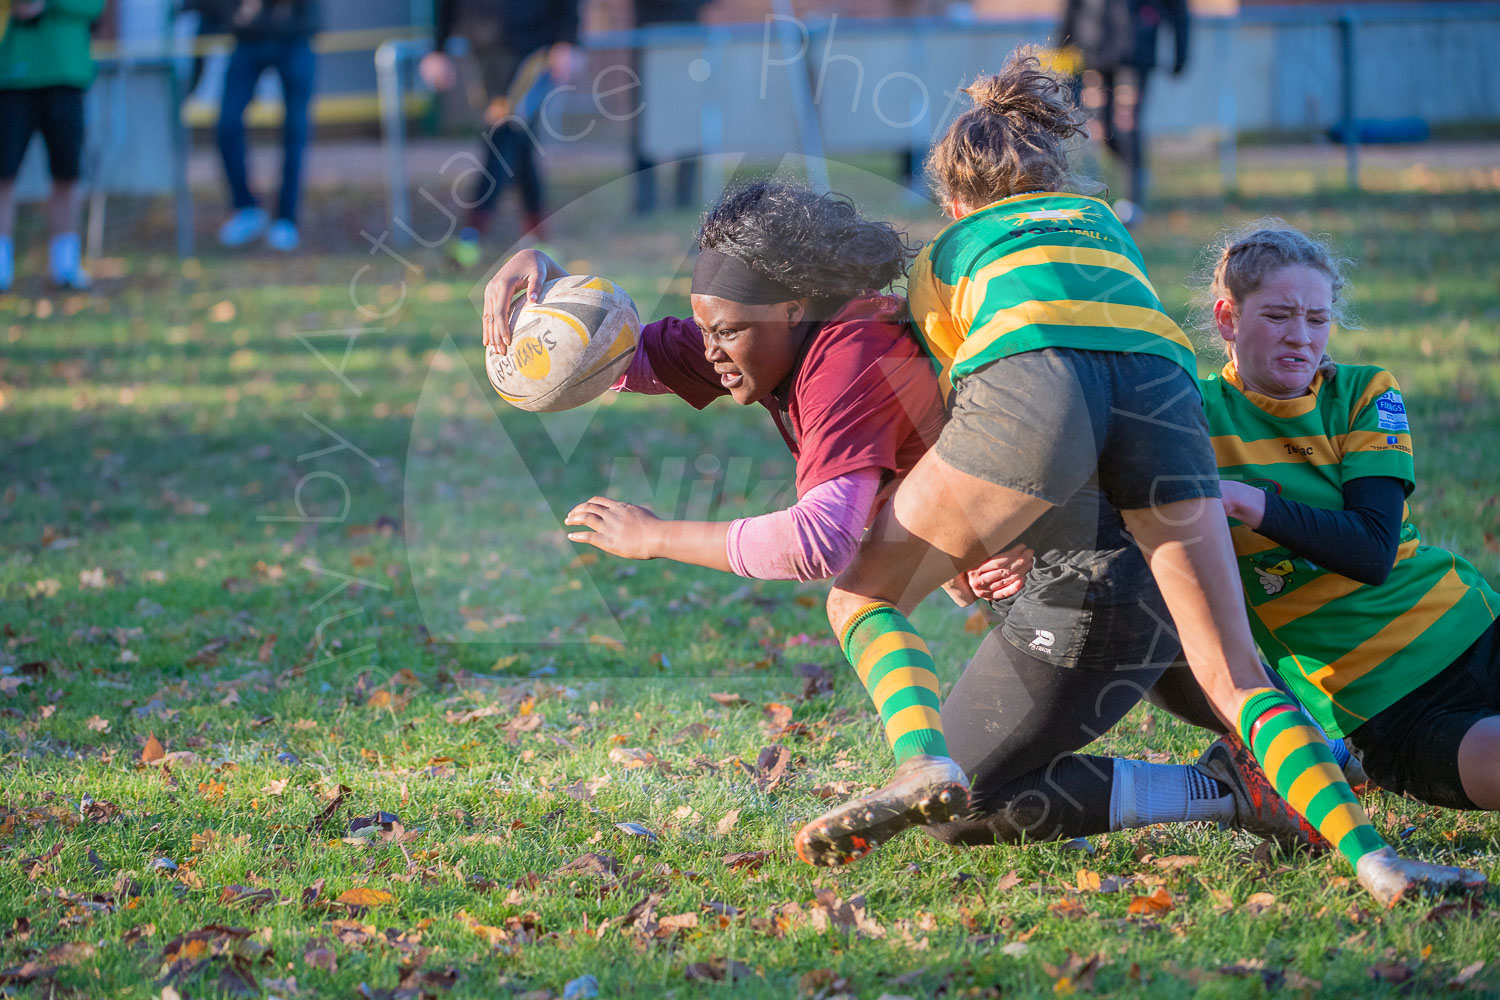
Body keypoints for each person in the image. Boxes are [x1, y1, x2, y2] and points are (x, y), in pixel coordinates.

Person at [798, 50, 1483, 907]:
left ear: (954, 199)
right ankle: (1377, 861)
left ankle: (919, 761)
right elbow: (1108, 357)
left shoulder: (949, 253)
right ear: (1054, 172)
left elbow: (970, 417)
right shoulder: (1103, 227)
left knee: (858, 594)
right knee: (1237, 676)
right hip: (1163, 393)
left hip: (1032, 385)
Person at [482, 180, 951, 582]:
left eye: (725, 332)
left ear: (792, 311)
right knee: (862, 596)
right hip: (972, 525)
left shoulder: (851, 357)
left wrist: (655, 536)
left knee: (862, 594)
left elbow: (819, 541)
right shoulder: (770, 335)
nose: (709, 351)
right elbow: (622, 354)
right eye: (704, 330)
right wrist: (549, 286)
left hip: (1016, 530)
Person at [1199, 221, 1500, 812]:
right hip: (1392, 710)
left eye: (1316, 319)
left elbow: (1371, 549)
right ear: (1227, 319)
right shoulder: (1192, 414)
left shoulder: (1365, 392)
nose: (1301, 338)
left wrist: (1242, 499)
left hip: (1475, 630)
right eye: (1278, 316)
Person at [421, 0, 580, 249]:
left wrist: (567, 39)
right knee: (517, 141)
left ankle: (471, 235)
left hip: (532, 49)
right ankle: (539, 237)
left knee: (502, 134)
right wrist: (438, 49)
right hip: (482, 51)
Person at [0, 0, 104, 291]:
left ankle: (65, 265)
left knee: (66, 174)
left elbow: (93, 7)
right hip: (13, 77)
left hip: (66, 74)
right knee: (3, 174)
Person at [1057, 0, 1188, 225]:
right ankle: (1136, 172)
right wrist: (1063, 50)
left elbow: (1177, 8)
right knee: (1101, 130)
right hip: (1093, 50)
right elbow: (1072, 7)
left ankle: (1132, 201)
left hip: (1136, 49)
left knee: (1128, 125)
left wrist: (1180, 52)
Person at [214, 0, 319, 252]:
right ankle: (246, 208)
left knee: (295, 128)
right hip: (248, 34)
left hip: (295, 34)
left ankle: (286, 217)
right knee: (226, 124)